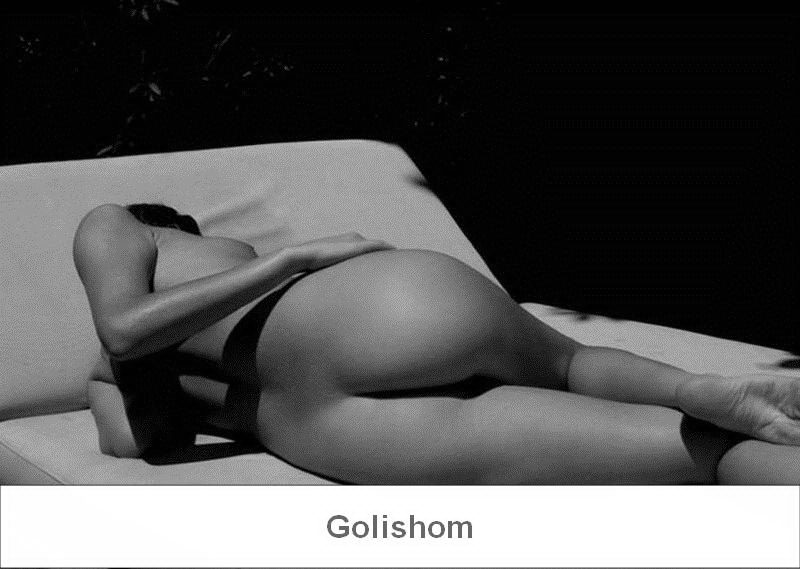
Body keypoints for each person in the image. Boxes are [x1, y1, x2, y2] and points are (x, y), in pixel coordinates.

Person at [73, 202, 800, 484]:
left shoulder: (109, 358)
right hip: (354, 326)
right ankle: (693, 391)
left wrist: (125, 374)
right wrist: (292, 259)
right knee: (574, 363)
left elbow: (144, 440)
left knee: (705, 461)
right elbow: (126, 328)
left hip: (320, 427)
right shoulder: (119, 221)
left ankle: (709, 409)